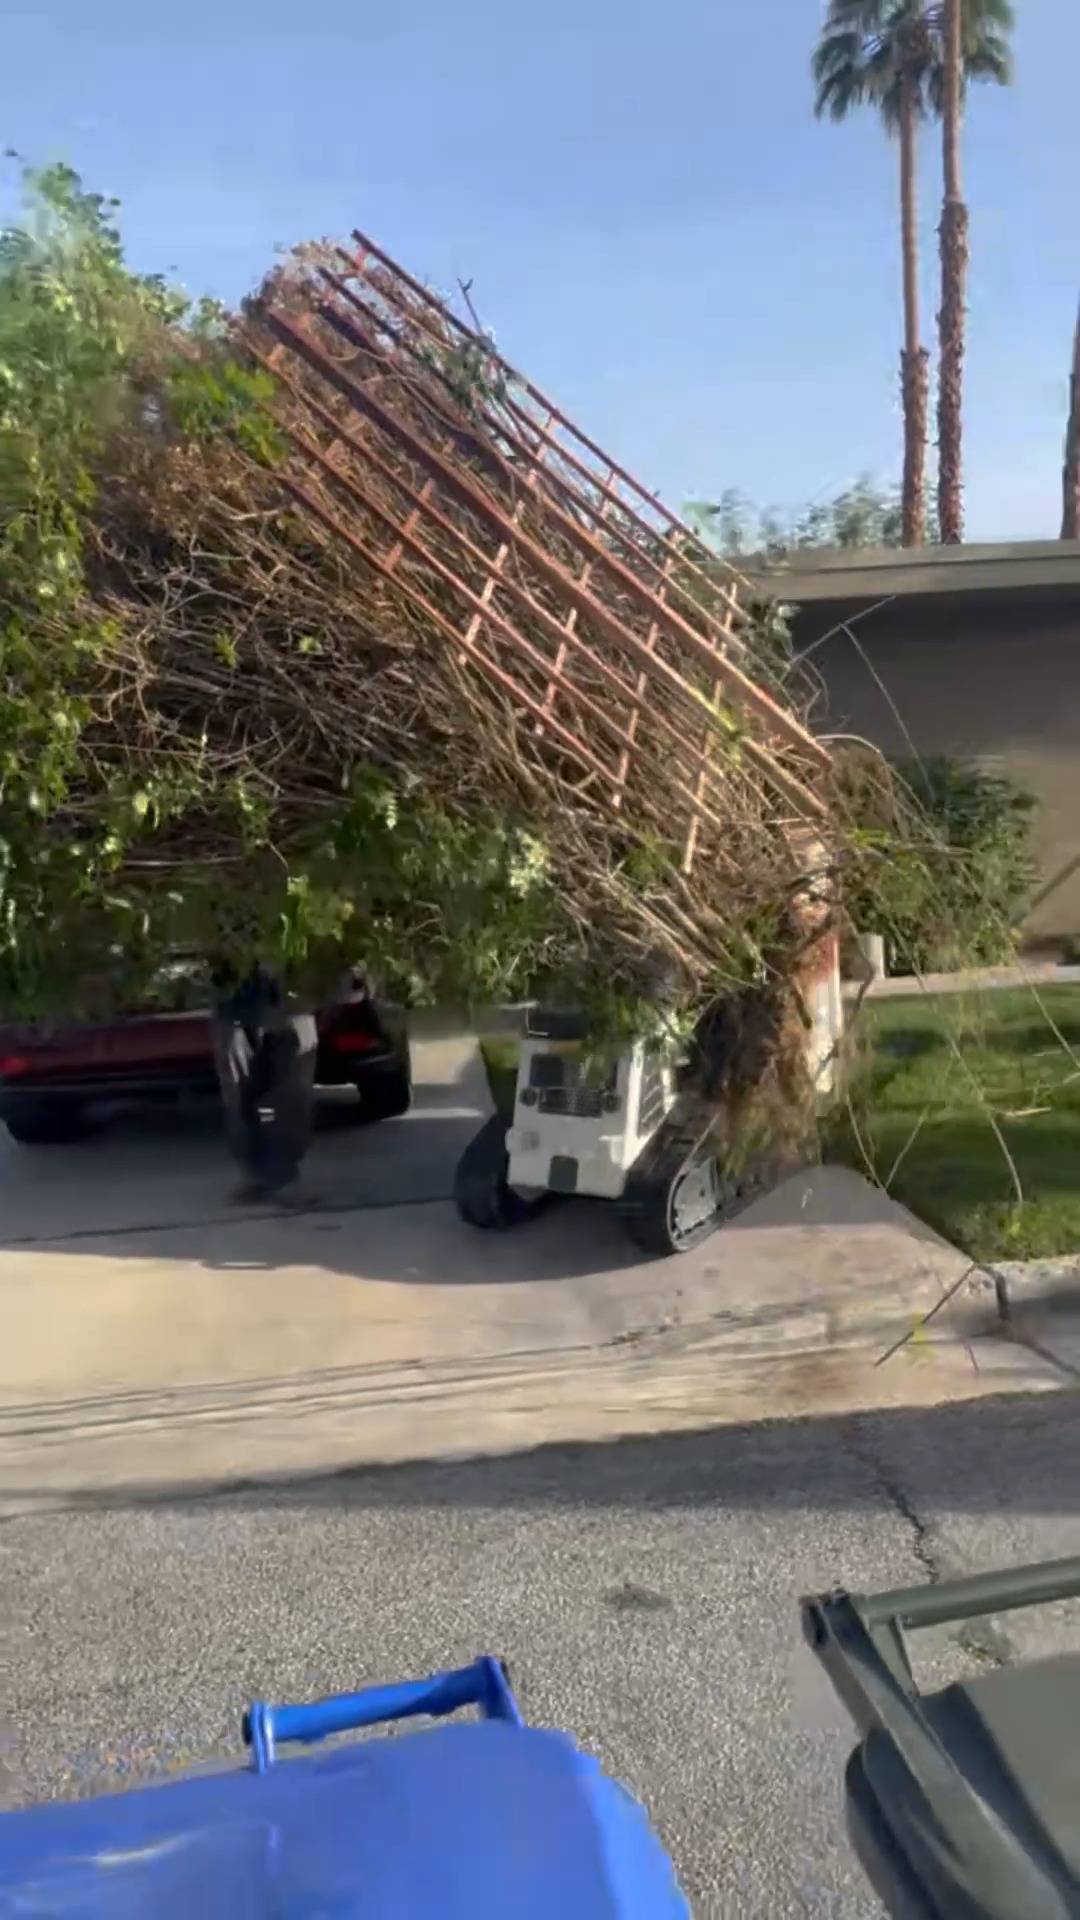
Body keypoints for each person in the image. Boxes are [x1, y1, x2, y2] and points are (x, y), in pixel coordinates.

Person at [210, 963, 319, 1203]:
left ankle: (285, 1175)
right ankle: (256, 1175)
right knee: (239, 1097)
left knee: (293, 1096)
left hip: (291, 1008)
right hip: (236, 1012)